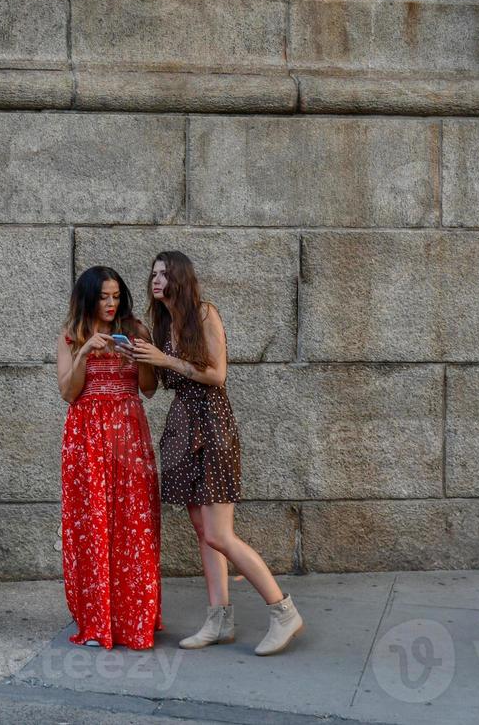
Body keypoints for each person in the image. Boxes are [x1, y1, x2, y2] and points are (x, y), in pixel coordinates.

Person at [127, 250, 304, 656]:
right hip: (181, 427)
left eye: (164, 274)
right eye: (153, 274)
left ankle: (283, 611)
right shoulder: (163, 324)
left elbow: (217, 374)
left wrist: (165, 357)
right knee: (204, 532)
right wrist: (140, 354)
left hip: (211, 425)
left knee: (220, 533)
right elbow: (152, 389)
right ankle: (219, 619)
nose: (156, 280)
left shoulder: (204, 314)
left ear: (181, 279)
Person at [55, 266, 163, 650]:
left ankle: (134, 617)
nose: (111, 303)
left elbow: (148, 390)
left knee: (134, 523)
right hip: (86, 438)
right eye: (103, 296)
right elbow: (69, 393)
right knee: (93, 523)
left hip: (128, 433)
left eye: (116, 296)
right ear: (88, 298)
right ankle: (97, 618)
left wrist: (141, 356)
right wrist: (85, 350)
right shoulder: (70, 336)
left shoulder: (135, 330)